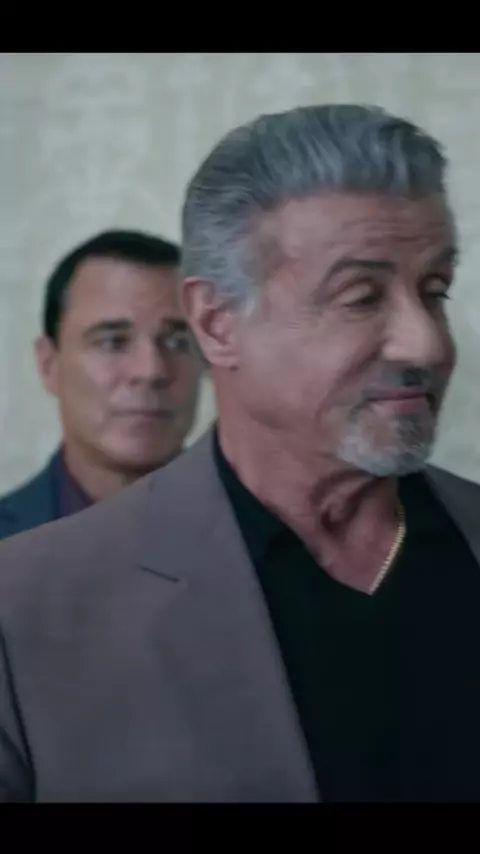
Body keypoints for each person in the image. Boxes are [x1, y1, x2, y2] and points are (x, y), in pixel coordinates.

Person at [1, 104, 480, 804]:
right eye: (361, 297)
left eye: (434, 291)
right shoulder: (24, 605)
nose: (427, 345)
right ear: (219, 324)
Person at [0, 230, 201, 539]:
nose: (151, 370)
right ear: (49, 364)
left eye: (178, 343)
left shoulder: (262, 534)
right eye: (113, 342)